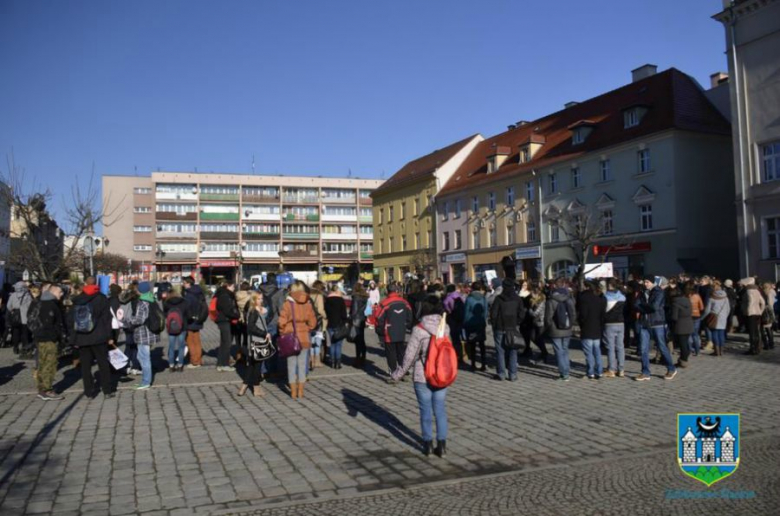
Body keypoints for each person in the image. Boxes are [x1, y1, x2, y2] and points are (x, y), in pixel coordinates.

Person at [391, 295, 450, 457]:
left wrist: (398, 374)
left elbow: (409, 356)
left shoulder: (419, 329)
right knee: (440, 410)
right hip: (441, 376)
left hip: (422, 376)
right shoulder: (445, 328)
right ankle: (442, 446)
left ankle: (428, 445)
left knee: (425, 411)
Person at [69, 278, 115, 398]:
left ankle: (89, 392)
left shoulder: (78, 299)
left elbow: (71, 320)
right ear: (96, 284)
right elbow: (107, 319)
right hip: (99, 336)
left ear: (85, 284)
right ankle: (107, 390)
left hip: (82, 336)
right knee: (103, 363)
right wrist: (109, 336)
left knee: (85, 365)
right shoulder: (101, 298)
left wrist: (73, 338)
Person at [278, 281, 317, 399]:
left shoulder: (288, 304)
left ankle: (293, 392)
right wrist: (306, 328)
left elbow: (281, 322)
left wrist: (283, 332)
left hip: (290, 337)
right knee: (302, 365)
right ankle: (301, 391)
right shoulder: (308, 303)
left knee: (291, 366)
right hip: (304, 337)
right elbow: (313, 323)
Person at [636, 276, 677, 381]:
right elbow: (635, 305)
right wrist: (644, 307)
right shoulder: (641, 292)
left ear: (653, 282)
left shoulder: (659, 292)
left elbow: (654, 307)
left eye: (647, 281)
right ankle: (645, 372)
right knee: (643, 349)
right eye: (644, 282)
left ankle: (671, 368)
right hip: (644, 323)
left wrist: (643, 307)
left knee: (662, 347)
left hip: (657, 323)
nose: (645, 284)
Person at [30, 284, 66, 400]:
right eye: (60, 292)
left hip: (40, 337)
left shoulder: (39, 302)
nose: (61, 294)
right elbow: (50, 323)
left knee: (42, 363)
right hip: (48, 338)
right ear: (53, 292)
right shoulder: (50, 305)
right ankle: (47, 390)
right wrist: (57, 336)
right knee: (49, 364)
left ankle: (42, 389)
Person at [489, 278, 526, 381]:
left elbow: (494, 314)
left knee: (500, 350)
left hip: (500, 327)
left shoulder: (499, 299)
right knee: (513, 350)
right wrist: (517, 322)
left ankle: (501, 373)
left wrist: (495, 324)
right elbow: (522, 313)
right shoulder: (517, 298)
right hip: (513, 327)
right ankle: (513, 374)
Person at [375, 282, 412, 378]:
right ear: (396, 290)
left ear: (387, 291)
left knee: (391, 352)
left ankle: (394, 371)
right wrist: (406, 324)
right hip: (401, 330)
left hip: (389, 331)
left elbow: (378, 317)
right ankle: (403, 370)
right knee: (401, 351)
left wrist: (380, 329)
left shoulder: (384, 303)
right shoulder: (404, 302)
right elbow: (410, 315)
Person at [128, 282, 161, 389]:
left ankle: (146, 381)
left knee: (144, 358)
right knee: (141, 357)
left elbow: (139, 320)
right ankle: (146, 380)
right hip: (151, 333)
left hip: (143, 334)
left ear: (140, 290)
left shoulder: (142, 302)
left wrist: (129, 319)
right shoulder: (152, 299)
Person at [545, 278, 577, 381]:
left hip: (555, 330)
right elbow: (573, 314)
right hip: (567, 329)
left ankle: (564, 374)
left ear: (555, 286)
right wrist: (570, 324)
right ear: (564, 285)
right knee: (565, 350)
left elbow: (548, 317)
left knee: (558, 352)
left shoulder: (551, 300)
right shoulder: (569, 299)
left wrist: (549, 327)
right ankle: (566, 371)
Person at [239, 291, 269, 397]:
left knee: (252, 365)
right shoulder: (253, 312)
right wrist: (265, 333)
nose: (261, 301)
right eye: (258, 299)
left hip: (257, 340)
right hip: (256, 341)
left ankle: (243, 388)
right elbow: (251, 328)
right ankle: (256, 389)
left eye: (261, 299)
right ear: (253, 300)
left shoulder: (257, 310)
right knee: (257, 365)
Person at [577, 280, 605, 380]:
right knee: (597, 351)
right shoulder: (599, 298)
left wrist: (581, 323)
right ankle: (600, 371)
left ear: (586, 287)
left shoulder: (583, 298)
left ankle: (591, 372)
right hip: (597, 327)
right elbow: (602, 314)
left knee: (589, 352)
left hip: (587, 328)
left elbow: (582, 315)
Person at [602, 279, 626, 378]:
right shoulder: (622, 297)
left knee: (611, 347)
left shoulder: (605, 297)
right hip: (621, 323)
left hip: (609, 323)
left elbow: (603, 311)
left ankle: (612, 369)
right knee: (620, 347)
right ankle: (621, 369)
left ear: (609, 285)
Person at [214, 280, 240, 371]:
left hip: (223, 320)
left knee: (224, 342)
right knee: (227, 343)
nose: (234, 289)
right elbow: (227, 310)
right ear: (228, 286)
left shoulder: (223, 294)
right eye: (233, 287)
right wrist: (237, 315)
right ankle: (224, 364)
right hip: (224, 320)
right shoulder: (225, 296)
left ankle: (220, 364)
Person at [463, 282, 488, 372]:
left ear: (472, 288)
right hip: (480, 323)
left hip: (471, 323)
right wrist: (482, 320)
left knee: (472, 345)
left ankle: (473, 364)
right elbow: (486, 311)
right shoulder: (483, 298)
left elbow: (466, 312)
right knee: (482, 345)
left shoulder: (469, 299)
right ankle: (483, 364)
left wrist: (465, 323)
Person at [163, 289, 189, 372]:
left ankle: (171, 365)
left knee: (171, 347)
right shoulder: (184, 302)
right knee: (181, 346)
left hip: (171, 328)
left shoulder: (166, 303)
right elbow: (188, 314)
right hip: (183, 326)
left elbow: (165, 315)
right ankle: (180, 365)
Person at [182, 277, 206, 368]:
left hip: (190, 321)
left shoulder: (188, 295)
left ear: (188, 283)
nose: (183, 284)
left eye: (184, 283)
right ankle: (198, 360)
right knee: (197, 341)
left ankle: (194, 361)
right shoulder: (199, 292)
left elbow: (186, 309)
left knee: (190, 342)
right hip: (199, 319)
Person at [702, 281, 730, 356]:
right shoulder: (725, 298)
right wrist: (725, 316)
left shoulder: (712, 298)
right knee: (721, 334)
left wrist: (702, 317)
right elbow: (728, 309)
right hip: (723, 317)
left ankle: (716, 351)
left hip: (714, 317)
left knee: (714, 333)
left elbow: (707, 310)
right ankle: (721, 351)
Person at [118, 284, 141, 375]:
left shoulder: (123, 298)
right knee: (135, 346)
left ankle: (126, 366)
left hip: (125, 323)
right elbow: (136, 313)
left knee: (128, 346)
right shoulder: (135, 299)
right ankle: (135, 366)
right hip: (133, 324)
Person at [325, 284, 349, 369]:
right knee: (338, 344)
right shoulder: (340, 300)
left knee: (332, 344)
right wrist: (345, 321)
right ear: (337, 291)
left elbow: (325, 312)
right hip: (339, 324)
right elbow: (344, 313)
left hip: (330, 324)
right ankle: (338, 363)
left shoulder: (327, 300)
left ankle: (332, 362)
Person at [7, 280, 33, 358]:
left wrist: (13, 311)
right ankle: (25, 348)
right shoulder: (27, 295)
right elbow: (30, 306)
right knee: (25, 333)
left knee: (15, 333)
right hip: (25, 317)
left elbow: (9, 306)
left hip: (15, 317)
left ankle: (15, 347)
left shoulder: (13, 295)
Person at [740, 277, 765, 355]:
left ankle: (753, 349)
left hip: (750, 313)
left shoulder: (748, 291)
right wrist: (760, 311)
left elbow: (751, 301)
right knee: (756, 331)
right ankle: (757, 348)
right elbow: (763, 302)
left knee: (752, 332)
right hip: (757, 313)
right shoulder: (757, 291)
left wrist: (748, 311)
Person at [670, 286, 693, 368]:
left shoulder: (675, 303)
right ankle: (684, 359)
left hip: (680, 326)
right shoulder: (687, 300)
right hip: (689, 324)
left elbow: (674, 317)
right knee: (686, 343)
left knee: (682, 344)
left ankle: (683, 360)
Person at [443, 285, 465, 364]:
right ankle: (462, 354)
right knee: (460, 336)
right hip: (460, 318)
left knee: (454, 337)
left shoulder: (448, 297)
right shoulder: (460, 296)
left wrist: (449, 310)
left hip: (452, 318)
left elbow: (445, 304)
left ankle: (456, 355)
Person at [309, 280, 328, 369]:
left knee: (311, 342)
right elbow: (320, 310)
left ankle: (311, 360)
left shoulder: (308, 294)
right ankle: (317, 361)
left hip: (309, 320)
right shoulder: (319, 295)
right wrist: (325, 316)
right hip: (318, 321)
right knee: (317, 343)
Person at [350, 283, 369, 368]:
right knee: (362, 339)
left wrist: (351, 318)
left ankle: (358, 359)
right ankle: (363, 357)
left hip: (356, 320)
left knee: (357, 340)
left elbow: (354, 310)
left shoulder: (356, 297)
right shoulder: (365, 297)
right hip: (362, 319)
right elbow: (368, 310)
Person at [234, 281, 252, 360]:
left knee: (237, 338)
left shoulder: (236, 295)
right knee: (245, 338)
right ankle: (244, 355)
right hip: (245, 319)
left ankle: (238, 354)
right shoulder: (250, 296)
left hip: (237, 318)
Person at [687, 282, 705, 357]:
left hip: (688, 316)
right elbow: (702, 307)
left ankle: (690, 350)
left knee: (689, 334)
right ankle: (697, 351)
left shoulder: (687, 296)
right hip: (697, 316)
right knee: (696, 334)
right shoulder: (697, 296)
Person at [761, 282, 776, 350]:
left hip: (765, 311)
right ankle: (771, 343)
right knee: (769, 328)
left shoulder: (766, 293)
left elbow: (769, 303)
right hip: (770, 311)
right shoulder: (772, 292)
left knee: (764, 329)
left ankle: (767, 344)